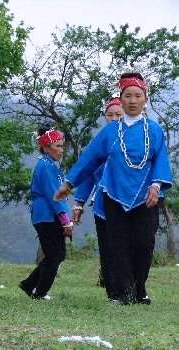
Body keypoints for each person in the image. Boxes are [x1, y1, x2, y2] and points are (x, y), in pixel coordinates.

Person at [54, 73, 172, 304]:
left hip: (145, 196)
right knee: (118, 246)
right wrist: (68, 185)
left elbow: (160, 161)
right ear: (121, 99)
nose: (133, 100)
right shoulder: (110, 132)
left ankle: (139, 288)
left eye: (138, 96)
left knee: (143, 244)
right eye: (128, 96)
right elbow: (89, 158)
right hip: (113, 195)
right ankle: (127, 294)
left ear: (145, 99)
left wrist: (156, 187)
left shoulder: (154, 130)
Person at [72, 97, 124, 300]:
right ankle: (113, 292)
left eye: (118, 115)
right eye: (109, 115)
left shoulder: (138, 139)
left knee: (130, 246)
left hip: (130, 204)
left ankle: (134, 287)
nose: (113, 118)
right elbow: (87, 174)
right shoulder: (100, 142)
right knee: (107, 247)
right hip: (102, 204)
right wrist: (79, 203)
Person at [19, 127, 74, 300]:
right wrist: (65, 221)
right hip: (47, 216)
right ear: (46, 148)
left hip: (47, 215)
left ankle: (29, 285)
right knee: (55, 255)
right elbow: (55, 196)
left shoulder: (49, 165)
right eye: (57, 146)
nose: (61, 150)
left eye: (62, 146)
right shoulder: (46, 167)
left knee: (57, 254)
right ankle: (40, 292)